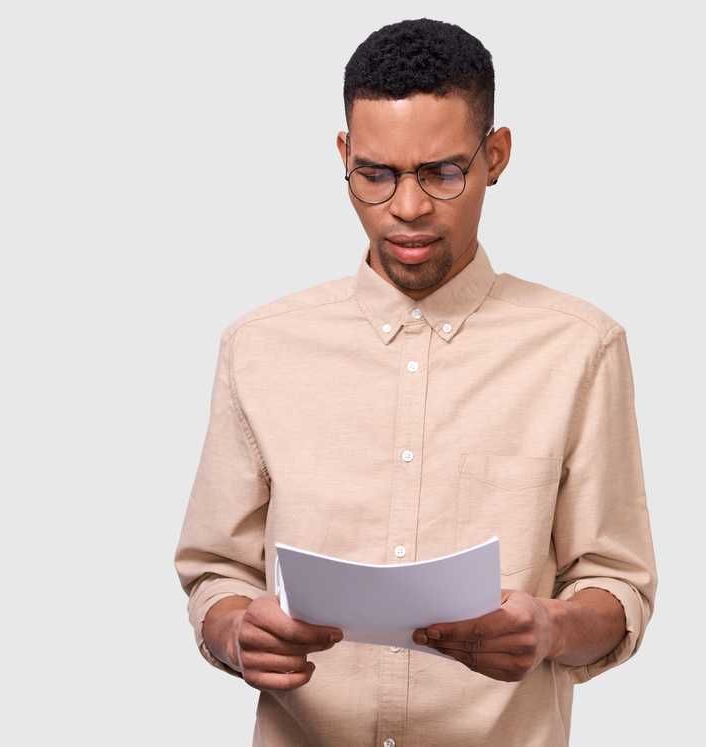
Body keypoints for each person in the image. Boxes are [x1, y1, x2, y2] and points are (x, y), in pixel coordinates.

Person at [174, 17, 657, 747]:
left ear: (495, 156)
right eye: (375, 174)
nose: (406, 207)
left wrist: (553, 627)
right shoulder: (259, 347)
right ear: (343, 155)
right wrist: (237, 633)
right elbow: (215, 571)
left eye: (442, 172)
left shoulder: (581, 347)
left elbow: (619, 585)